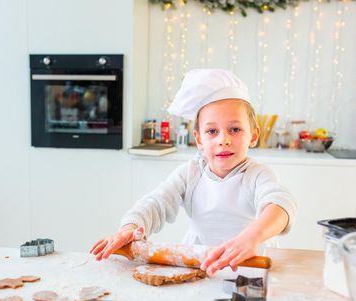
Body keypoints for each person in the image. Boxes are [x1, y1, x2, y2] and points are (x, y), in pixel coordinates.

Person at [90, 69, 296, 276]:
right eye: (212, 131)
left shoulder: (258, 175)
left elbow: (280, 205)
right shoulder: (190, 174)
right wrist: (129, 229)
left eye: (235, 129)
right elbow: (156, 203)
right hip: (200, 268)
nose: (223, 139)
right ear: (199, 140)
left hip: (251, 267)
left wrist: (252, 236)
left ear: (253, 135)